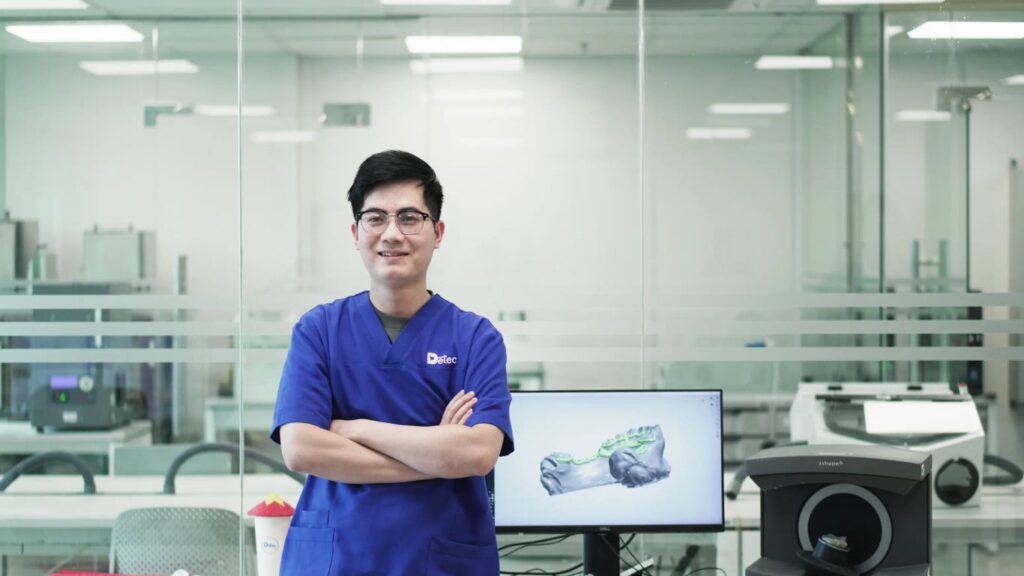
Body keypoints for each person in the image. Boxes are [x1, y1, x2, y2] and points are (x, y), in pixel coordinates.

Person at [271, 150, 514, 575]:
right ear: (355, 231)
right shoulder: (319, 331)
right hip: (336, 559)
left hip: (439, 559)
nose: (391, 233)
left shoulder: (476, 338)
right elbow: (301, 447)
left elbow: (476, 453)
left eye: (409, 217)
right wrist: (434, 454)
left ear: (437, 231)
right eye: (376, 217)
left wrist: (354, 429)